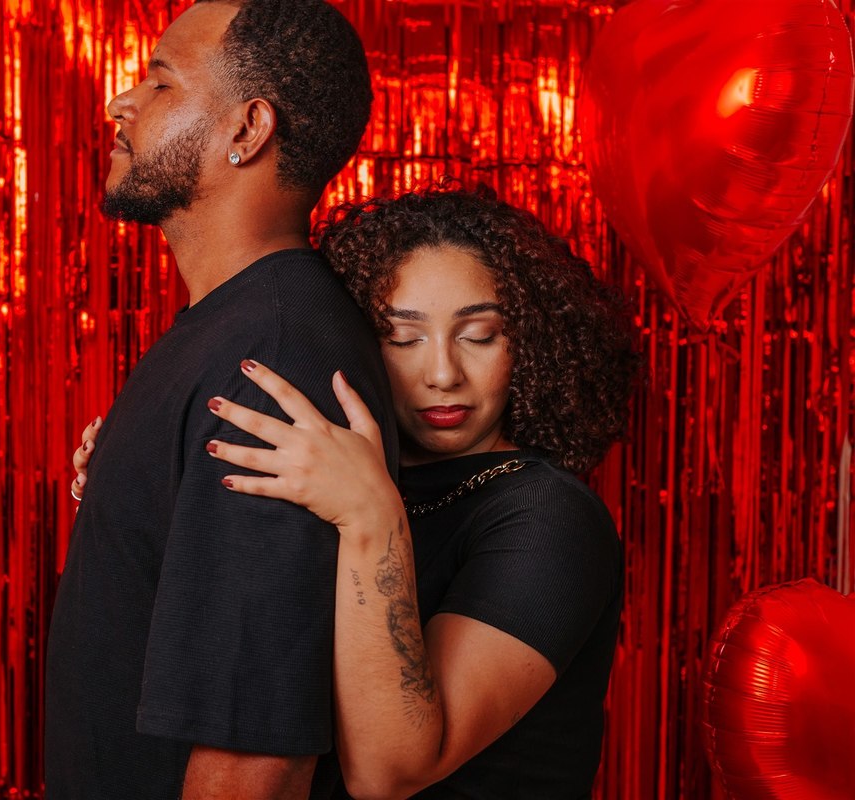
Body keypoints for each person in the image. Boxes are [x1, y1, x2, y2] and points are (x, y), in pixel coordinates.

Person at [75, 184, 639, 798]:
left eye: (479, 335)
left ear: (529, 343)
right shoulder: (339, 473)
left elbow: (388, 773)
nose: (443, 373)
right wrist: (147, 479)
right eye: (403, 338)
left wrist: (372, 519)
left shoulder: (551, 518)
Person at [45, 1, 397, 798]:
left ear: (248, 129)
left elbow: (255, 756)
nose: (121, 102)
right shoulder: (230, 331)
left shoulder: (274, 361)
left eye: (161, 83)